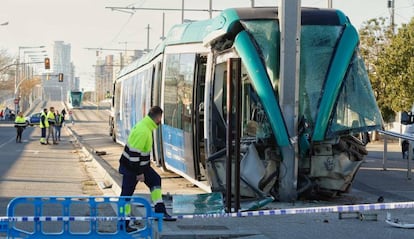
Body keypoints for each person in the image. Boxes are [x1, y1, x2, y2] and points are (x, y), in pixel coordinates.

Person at [118, 106, 175, 233]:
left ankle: (159, 212)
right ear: (158, 118)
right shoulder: (143, 131)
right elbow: (134, 156)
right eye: (161, 119)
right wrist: (139, 174)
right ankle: (123, 223)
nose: (161, 122)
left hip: (139, 166)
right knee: (126, 196)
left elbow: (139, 155)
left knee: (155, 180)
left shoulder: (145, 126)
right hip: (131, 168)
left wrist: (143, 171)